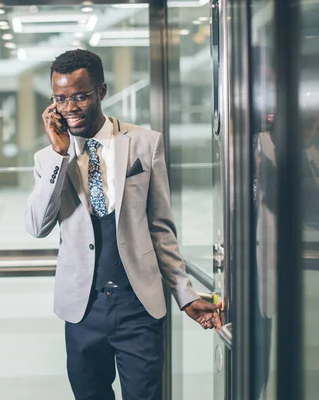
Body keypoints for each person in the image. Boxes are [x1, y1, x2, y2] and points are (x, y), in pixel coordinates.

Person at [24, 49, 221, 400]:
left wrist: (185, 294)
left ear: (101, 90)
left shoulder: (145, 143)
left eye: (80, 96)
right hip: (82, 310)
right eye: (60, 99)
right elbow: (37, 226)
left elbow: (161, 228)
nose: (69, 108)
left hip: (138, 307)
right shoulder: (48, 159)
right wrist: (59, 154)